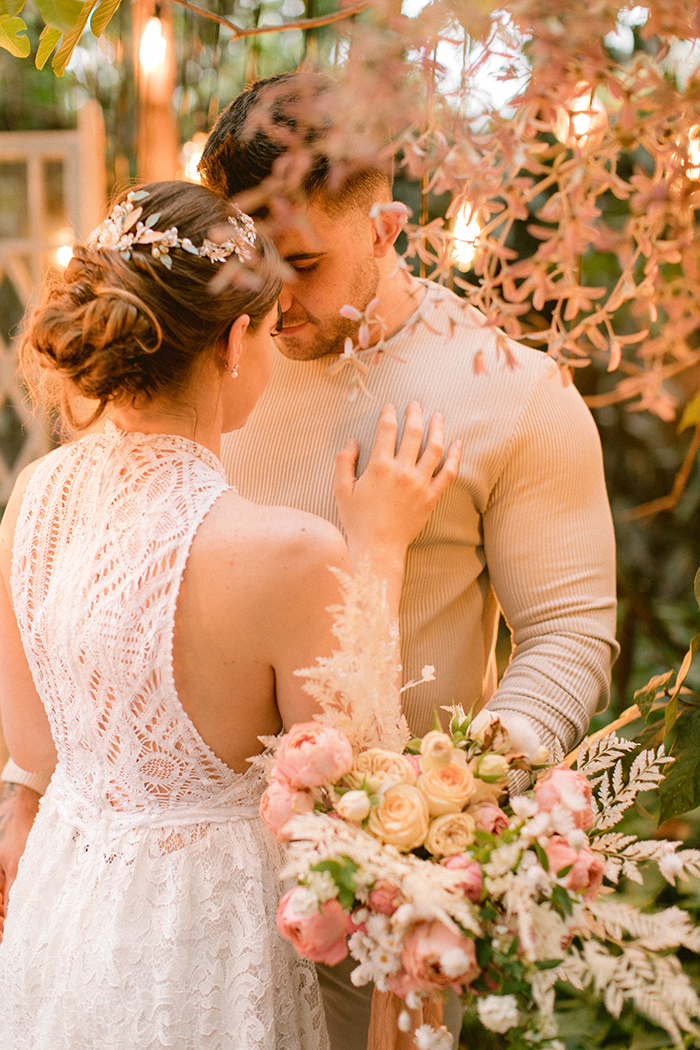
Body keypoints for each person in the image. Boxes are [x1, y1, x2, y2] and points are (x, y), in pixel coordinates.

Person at [196, 71, 620, 1050]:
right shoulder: (200, 368)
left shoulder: (513, 394)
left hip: (375, 893)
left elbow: (566, 629)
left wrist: (458, 811)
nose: (266, 294)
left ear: (386, 226)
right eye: (244, 256)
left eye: (298, 261)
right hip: (198, 879)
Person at [0, 179, 460, 1049]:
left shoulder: (37, 498)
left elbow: (33, 749)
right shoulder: (290, 553)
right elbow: (357, 792)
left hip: (59, 923)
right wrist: (381, 550)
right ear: (238, 340)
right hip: (200, 954)